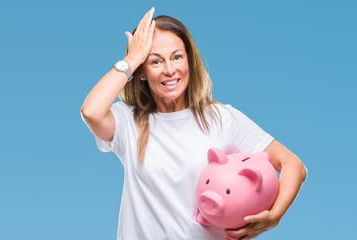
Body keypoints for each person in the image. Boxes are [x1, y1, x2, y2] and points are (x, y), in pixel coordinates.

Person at [80, 7, 307, 240]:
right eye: (155, 62)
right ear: (141, 72)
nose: (170, 70)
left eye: (177, 57)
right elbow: (91, 112)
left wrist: (273, 217)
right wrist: (133, 58)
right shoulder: (129, 121)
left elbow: (293, 165)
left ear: (189, 59)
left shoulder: (221, 118)